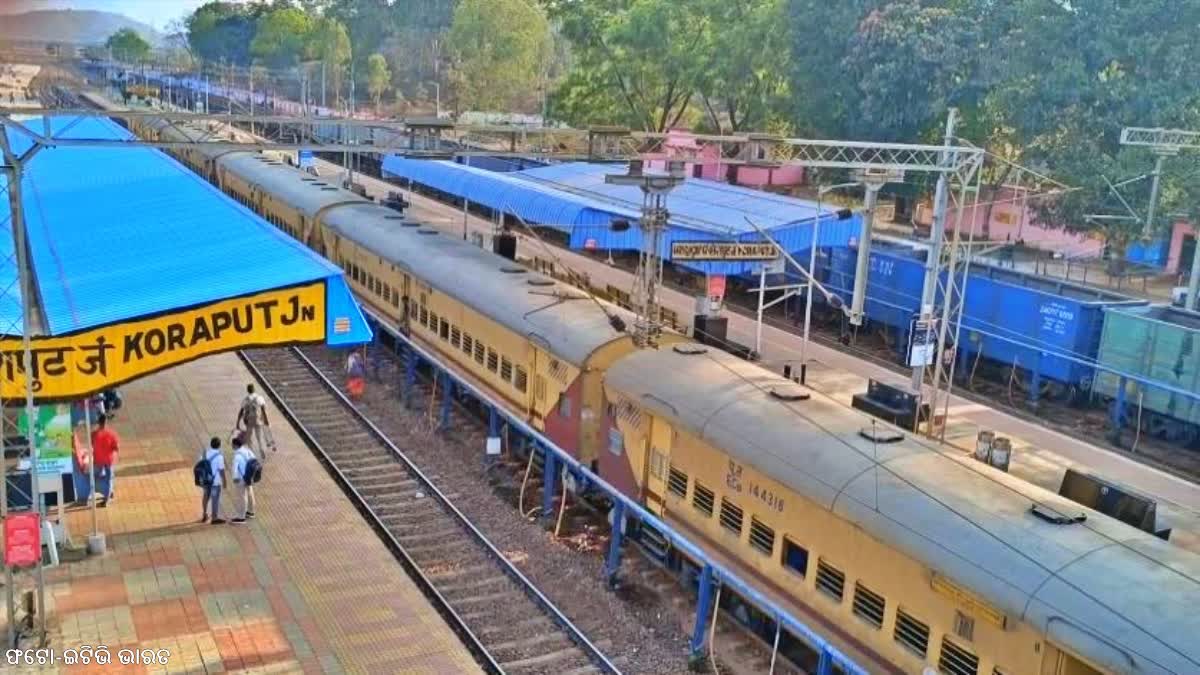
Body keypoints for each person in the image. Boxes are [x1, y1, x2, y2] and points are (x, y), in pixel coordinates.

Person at [235, 384, 273, 460]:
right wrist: (266, 420)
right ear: (254, 389)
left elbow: (241, 412)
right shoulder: (260, 398)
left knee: (249, 438)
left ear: (248, 390)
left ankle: (251, 453)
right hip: (258, 420)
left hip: (249, 421)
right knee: (259, 437)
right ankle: (262, 451)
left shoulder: (245, 400)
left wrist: (238, 422)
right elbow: (263, 410)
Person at [91, 413, 119, 507]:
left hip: (98, 460)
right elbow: (116, 448)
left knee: (96, 476)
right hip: (109, 460)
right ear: (106, 422)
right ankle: (109, 494)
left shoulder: (94, 434)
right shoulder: (112, 434)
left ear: (98, 422)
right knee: (109, 478)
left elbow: (92, 444)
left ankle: (106, 494)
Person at [198, 437, 227, 524]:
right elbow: (222, 470)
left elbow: (200, 465)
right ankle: (214, 518)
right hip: (215, 482)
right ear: (219, 446)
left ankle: (204, 514)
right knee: (215, 499)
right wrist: (225, 481)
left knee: (206, 497)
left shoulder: (204, 453)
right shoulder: (219, 457)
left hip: (206, 480)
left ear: (211, 444)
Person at [230, 435, 258, 524]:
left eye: (232, 444)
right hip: (249, 476)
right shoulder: (248, 451)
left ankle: (241, 517)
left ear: (236, 445)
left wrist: (235, 478)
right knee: (250, 493)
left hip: (241, 478)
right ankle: (251, 512)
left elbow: (234, 468)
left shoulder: (237, 456)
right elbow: (255, 461)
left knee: (242, 497)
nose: (232, 446)